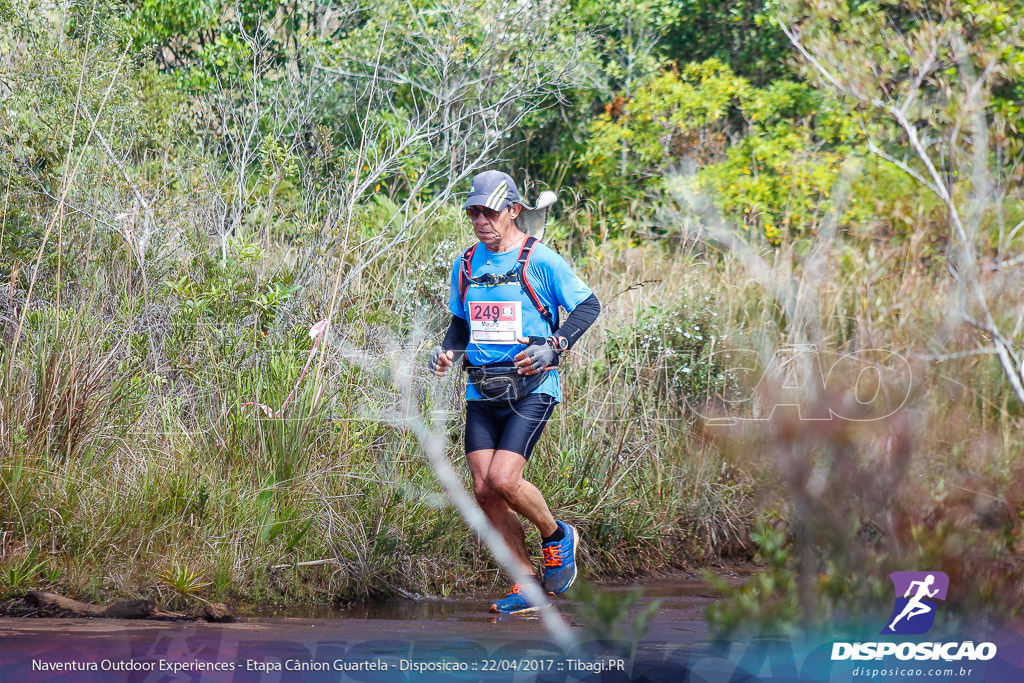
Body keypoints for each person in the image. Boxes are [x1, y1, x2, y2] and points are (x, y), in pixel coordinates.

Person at [428, 170, 601, 614]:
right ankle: (526, 585)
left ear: (513, 211)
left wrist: (554, 346)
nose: (480, 220)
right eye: (473, 212)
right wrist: (447, 352)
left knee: (505, 479)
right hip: (482, 391)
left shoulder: (541, 259)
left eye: (489, 212)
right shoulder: (466, 263)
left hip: (532, 387)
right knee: (485, 490)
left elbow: (588, 305)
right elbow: (461, 323)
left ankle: (557, 535)